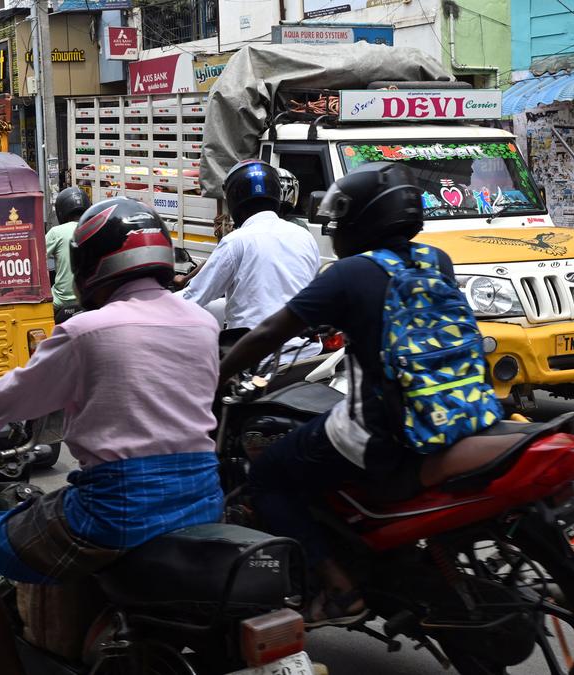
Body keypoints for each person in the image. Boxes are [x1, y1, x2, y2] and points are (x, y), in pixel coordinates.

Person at [0, 198, 224, 675]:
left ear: (90, 264)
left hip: (117, 509)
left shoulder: (87, 330)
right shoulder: (204, 323)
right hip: (203, 498)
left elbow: (16, 393)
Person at [219, 162, 494, 626]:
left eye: (342, 219)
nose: (335, 228)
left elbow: (268, 332)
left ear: (363, 219)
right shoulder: (435, 260)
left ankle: (341, 590)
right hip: (459, 410)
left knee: (268, 474)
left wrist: (216, 372)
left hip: (384, 433)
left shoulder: (350, 274)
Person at [178, 160, 320, 361]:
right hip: (307, 354)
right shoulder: (304, 236)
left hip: (258, 360)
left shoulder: (236, 241)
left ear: (234, 198)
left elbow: (194, 297)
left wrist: (151, 307)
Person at [46, 187, 90, 323]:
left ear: (61, 211)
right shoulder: (93, 227)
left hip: (62, 301)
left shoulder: (56, 232)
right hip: (89, 296)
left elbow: (35, 257)